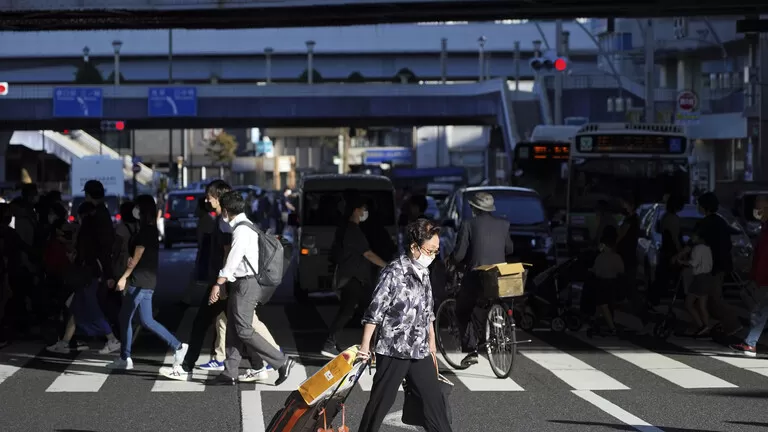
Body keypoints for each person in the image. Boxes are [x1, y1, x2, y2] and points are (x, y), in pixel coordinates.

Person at [356, 219, 453, 432]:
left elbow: (428, 311)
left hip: (419, 350)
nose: (433, 256)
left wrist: (432, 343)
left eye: (436, 251)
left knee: (434, 402)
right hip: (393, 349)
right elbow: (375, 311)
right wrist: (365, 346)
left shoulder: (424, 272)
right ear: (414, 247)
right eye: (430, 250)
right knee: (381, 403)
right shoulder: (393, 272)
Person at [208, 191, 294, 386]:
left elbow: (234, 258)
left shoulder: (242, 230)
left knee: (244, 330)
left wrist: (219, 283)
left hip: (246, 284)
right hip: (241, 283)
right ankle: (230, 372)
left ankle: (282, 361)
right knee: (233, 328)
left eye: (222, 209)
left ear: (227, 210)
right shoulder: (245, 226)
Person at [108, 195, 188, 370]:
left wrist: (123, 277)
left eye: (137, 206)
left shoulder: (146, 231)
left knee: (125, 317)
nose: (134, 210)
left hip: (139, 280)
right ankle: (178, 346)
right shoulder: (148, 229)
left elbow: (136, 257)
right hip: (148, 280)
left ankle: (125, 357)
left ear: (143, 210)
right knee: (146, 320)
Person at [452, 192, 514, 367]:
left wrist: (454, 261)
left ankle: (471, 350)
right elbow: (509, 249)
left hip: (477, 275)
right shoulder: (503, 224)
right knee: (494, 299)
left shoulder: (468, 224)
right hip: (498, 275)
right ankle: (499, 322)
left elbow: (459, 254)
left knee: (463, 310)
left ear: (474, 208)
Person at [321, 195, 387, 358]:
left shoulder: (350, 229)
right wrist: (387, 266)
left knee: (356, 310)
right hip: (352, 278)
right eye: (363, 209)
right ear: (356, 210)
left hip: (353, 278)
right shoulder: (353, 230)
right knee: (364, 310)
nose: (366, 212)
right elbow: (368, 254)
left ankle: (335, 344)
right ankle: (332, 344)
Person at [688, 192, 741, 336]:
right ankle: (722, 324)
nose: (698, 207)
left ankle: (732, 323)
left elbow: (694, 240)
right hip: (721, 265)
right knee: (711, 298)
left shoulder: (706, 223)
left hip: (713, 267)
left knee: (714, 298)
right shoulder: (720, 221)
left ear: (704, 207)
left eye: (699, 205)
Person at [78, 180, 120, 352]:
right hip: (97, 266)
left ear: (88, 195)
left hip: (95, 267)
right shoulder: (102, 213)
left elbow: (101, 247)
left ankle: (111, 337)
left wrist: (108, 273)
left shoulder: (96, 216)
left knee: (91, 302)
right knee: (81, 302)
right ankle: (78, 336)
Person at [731, 195, 768, 356]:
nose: (757, 211)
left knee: (760, 311)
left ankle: (750, 343)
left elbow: (765, 257)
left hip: (765, 277)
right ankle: (750, 343)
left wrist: (757, 277)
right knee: (762, 311)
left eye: (760, 208)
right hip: (763, 276)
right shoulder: (764, 227)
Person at [650, 194, 685, 306]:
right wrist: (681, 252)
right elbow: (675, 237)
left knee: (663, 276)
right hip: (671, 252)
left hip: (666, 251)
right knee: (667, 276)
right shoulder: (673, 219)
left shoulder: (666, 216)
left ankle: (655, 298)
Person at [589, 227, 623, 336]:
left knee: (602, 304)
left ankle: (612, 328)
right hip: (613, 283)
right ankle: (594, 321)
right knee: (602, 304)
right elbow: (621, 270)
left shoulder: (600, 257)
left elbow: (596, 271)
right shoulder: (617, 257)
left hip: (602, 283)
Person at [681, 233, 713, 337]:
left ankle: (701, 325)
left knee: (688, 304)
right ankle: (706, 327)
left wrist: (681, 262)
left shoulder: (697, 248)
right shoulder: (708, 248)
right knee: (702, 306)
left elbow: (693, 263)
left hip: (699, 278)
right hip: (707, 277)